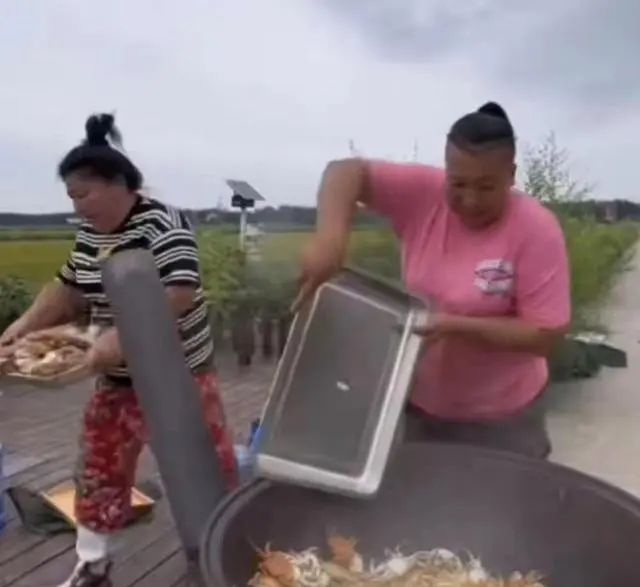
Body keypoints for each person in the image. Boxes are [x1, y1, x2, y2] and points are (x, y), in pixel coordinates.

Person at [0, 114, 238, 587]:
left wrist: (124, 336)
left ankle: (219, 558)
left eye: (82, 195)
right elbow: (68, 287)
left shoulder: (161, 222)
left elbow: (181, 289)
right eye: (71, 198)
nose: (78, 207)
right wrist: (21, 328)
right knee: (98, 465)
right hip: (118, 378)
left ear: (117, 184)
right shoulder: (92, 232)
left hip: (177, 377)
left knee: (201, 468)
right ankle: (94, 565)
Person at [297, 102, 570, 459]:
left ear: (511, 174)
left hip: (504, 419)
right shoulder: (423, 194)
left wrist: (456, 327)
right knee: (421, 503)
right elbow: (344, 172)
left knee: (502, 509)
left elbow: (544, 336)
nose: (469, 200)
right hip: (420, 406)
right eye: (457, 184)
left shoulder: (537, 229)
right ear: (446, 170)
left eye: (486, 187)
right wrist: (330, 240)